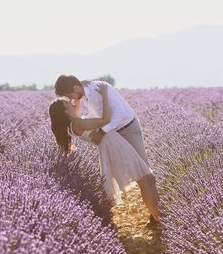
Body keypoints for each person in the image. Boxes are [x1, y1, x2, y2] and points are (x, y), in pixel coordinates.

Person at [49, 75, 161, 226]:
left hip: (113, 142)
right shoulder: (78, 122)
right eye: (68, 100)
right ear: (65, 112)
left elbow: (85, 111)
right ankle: (159, 218)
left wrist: (79, 89)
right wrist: (104, 95)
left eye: (70, 97)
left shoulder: (75, 122)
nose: (72, 101)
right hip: (114, 144)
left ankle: (155, 217)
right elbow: (105, 120)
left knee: (146, 179)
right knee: (146, 178)